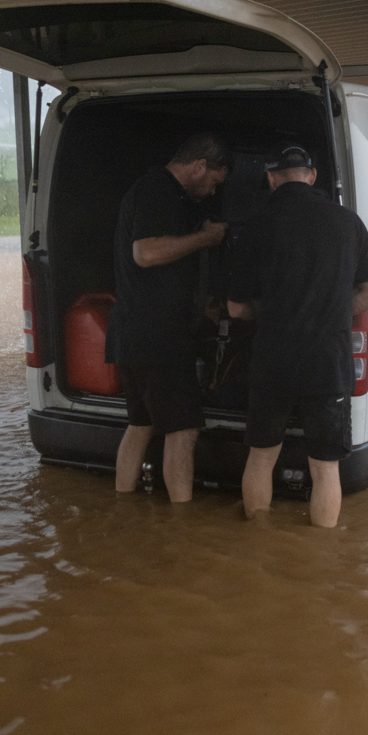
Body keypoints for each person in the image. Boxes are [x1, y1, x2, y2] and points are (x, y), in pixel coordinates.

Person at [227, 144, 368, 528]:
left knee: (261, 456)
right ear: (312, 176)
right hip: (326, 361)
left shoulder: (254, 225)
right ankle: (321, 557)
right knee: (325, 466)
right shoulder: (348, 222)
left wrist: (274, 314)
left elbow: (235, 309)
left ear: (271, 178)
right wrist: (330, 311)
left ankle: (257, 543)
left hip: (273, 359)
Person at [106, 133, 230, 502]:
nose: (211, 192)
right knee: (184, 429)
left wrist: (198, 308)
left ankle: (122, 507)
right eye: (213, 182)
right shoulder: (157, 191)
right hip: (157, 338)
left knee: (140, 425)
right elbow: (145, 253)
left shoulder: (159, 191)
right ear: (198, 166)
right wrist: (205, 239)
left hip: (131, 333)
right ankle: (181, 524)